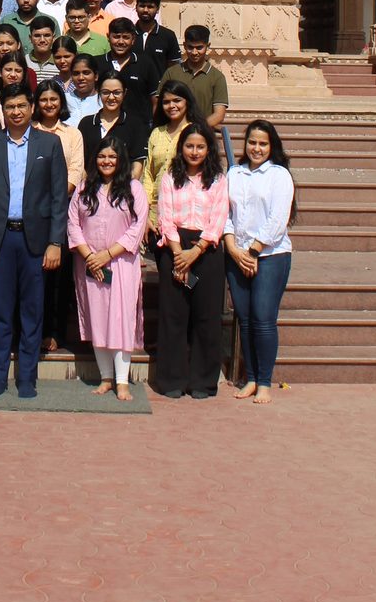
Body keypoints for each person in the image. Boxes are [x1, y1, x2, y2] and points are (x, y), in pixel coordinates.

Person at [0, 84, 68, 398]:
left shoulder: (50, 144)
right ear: (4, 110)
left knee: (32, 310)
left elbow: (57, 199)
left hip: (34, 241)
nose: (16, 112)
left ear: (31, 108)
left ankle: (27, 378)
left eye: (21, 106)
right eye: (10, 106)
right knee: (0, 311)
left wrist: (56, 241)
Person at [67, 136, 148, 402]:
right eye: (102, 156)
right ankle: (105, 377)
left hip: (121, 262)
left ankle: (122, 381)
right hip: (89, 264)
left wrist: (107, 254)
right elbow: (73, 225)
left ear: (121, 159)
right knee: (97, 319)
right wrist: (90, 256)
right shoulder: (83, 188)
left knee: (121, 320)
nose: (107, 161)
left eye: (112, 156)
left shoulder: (133, 189)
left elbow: (137, 228)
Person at [157, 121, 231, 401]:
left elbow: (219, 217)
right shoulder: (170, 177)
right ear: (181, 148)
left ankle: (203, 381)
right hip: (175, 248)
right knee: (173, 317)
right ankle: (171, 379)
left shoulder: (218, 179)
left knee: (206, 317)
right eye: (189, 146)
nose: (195, 151)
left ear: (208, 149)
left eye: (201, 146)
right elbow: (165, 215)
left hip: (207, 251)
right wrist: (178, 254)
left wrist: (195, 251)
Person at [225, 120, 296, 405]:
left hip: (270, 255)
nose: (256, 148)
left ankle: (265, 380)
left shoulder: (279, 175)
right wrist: (233, 248)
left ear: (272, 146)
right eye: (252, 142)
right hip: (237, 255)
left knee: (263, 319)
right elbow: (226, 214)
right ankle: (251, 377)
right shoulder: (235, 173)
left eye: (263, 143)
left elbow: (278, 220)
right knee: (245, 320)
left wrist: (253, 251)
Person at [34, 78, 84, 355]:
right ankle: (35, 329)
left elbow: (76, 169)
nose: (49, 104)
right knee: (35, 274)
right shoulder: (28, 131)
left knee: (59, 275)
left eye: (54, 99)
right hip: (32, 213)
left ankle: (54, 332)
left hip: (63, 209)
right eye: (43, 99)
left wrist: (55, 197)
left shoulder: (72, 134)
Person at [143, 80, 200, 236]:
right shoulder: (156, 133)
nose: (171, 106)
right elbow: (149, 173)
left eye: (177, 100)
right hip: (156, 212)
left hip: (186, 213)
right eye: (166, 102)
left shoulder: (195, 133)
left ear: (187, 102)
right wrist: (145, 211)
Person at [157, 25, 229, 139]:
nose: (194, 52)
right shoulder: (172, 73)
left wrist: (193, 129)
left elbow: (219, 115)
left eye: (199, 47)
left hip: (203, 136)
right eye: (190, 47)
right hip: (171, 135)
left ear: (208, 46)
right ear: (185, 45)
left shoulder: (217, 77)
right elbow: (159, 104)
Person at [79, 71, 148, 177]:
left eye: (116, 92)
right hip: (91, 189)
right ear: (98, 92)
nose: (111, 97)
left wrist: (126, 189)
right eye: (106, 92)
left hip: (123, 189)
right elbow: (81, 163)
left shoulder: (135, 124)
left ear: (124, 93)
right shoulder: (86, 124)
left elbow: (137, 164)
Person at [135, 0, 180, 70]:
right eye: (142, 6)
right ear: (136, 7)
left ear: (157, 9)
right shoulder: (128, 34)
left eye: (150, 7)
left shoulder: (168, 36)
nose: (145, 10)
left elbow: (174, 67)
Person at [65, 54, 103, 125]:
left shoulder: (103, 101)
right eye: (76, 73)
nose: (81, 78)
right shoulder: (64, 99)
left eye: (86, 73)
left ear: (96, 76)